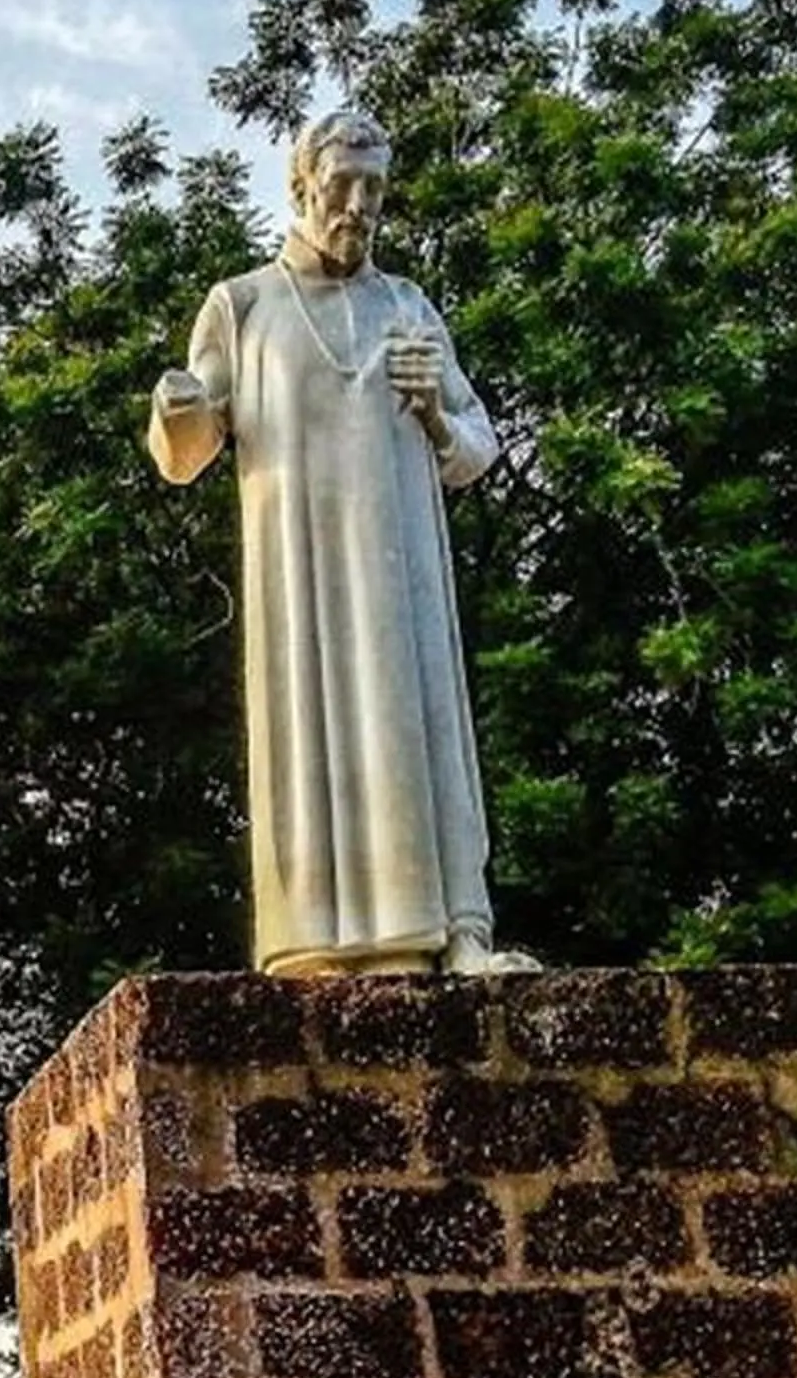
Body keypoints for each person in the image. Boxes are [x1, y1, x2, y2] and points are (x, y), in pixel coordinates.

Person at [145, 108, 533, 977]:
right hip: (301, 573)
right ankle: (318, 944)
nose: (357, 206)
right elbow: (188, 446)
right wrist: (178, 409)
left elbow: (476, 447)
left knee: (418, 721)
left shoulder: (407, 304)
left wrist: (435, 414)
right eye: (341, 186)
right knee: (311, 731)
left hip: (401, 564)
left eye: (374, 189)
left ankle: (458, 932)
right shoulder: (243, 305)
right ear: (303, 186)